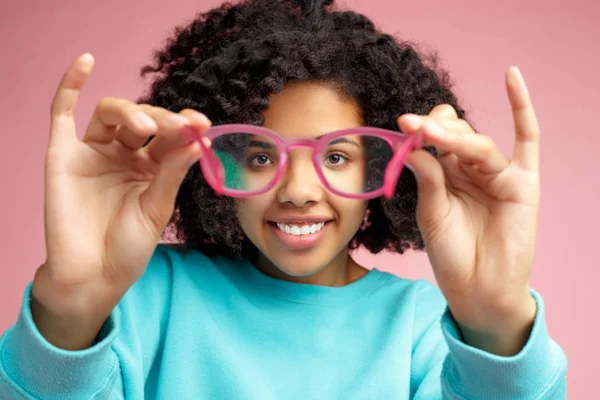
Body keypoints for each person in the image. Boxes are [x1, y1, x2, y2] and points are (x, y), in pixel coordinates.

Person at [0, 0, 567, 398]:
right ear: (210, 163)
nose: (297, 191)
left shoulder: (423, 331)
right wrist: (67, 312)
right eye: (259, 155)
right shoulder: (138, 300)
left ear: (386, 166)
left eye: (338, 157)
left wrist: (496, 327)